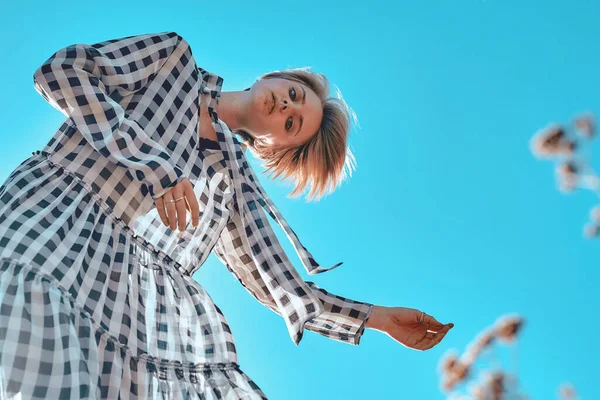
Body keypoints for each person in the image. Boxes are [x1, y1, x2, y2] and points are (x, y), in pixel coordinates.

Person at [0, 31, 454, 399]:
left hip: (123, 300)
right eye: (294, 94)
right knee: (26, 345)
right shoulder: (171, 61)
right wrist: (154, 165)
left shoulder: (232, 184)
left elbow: (279, 285)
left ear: (273, 147)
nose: (287, 107)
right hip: (54, 217)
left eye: (292, 123)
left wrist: (377, 318)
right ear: (273, 78)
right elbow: (61, 71)